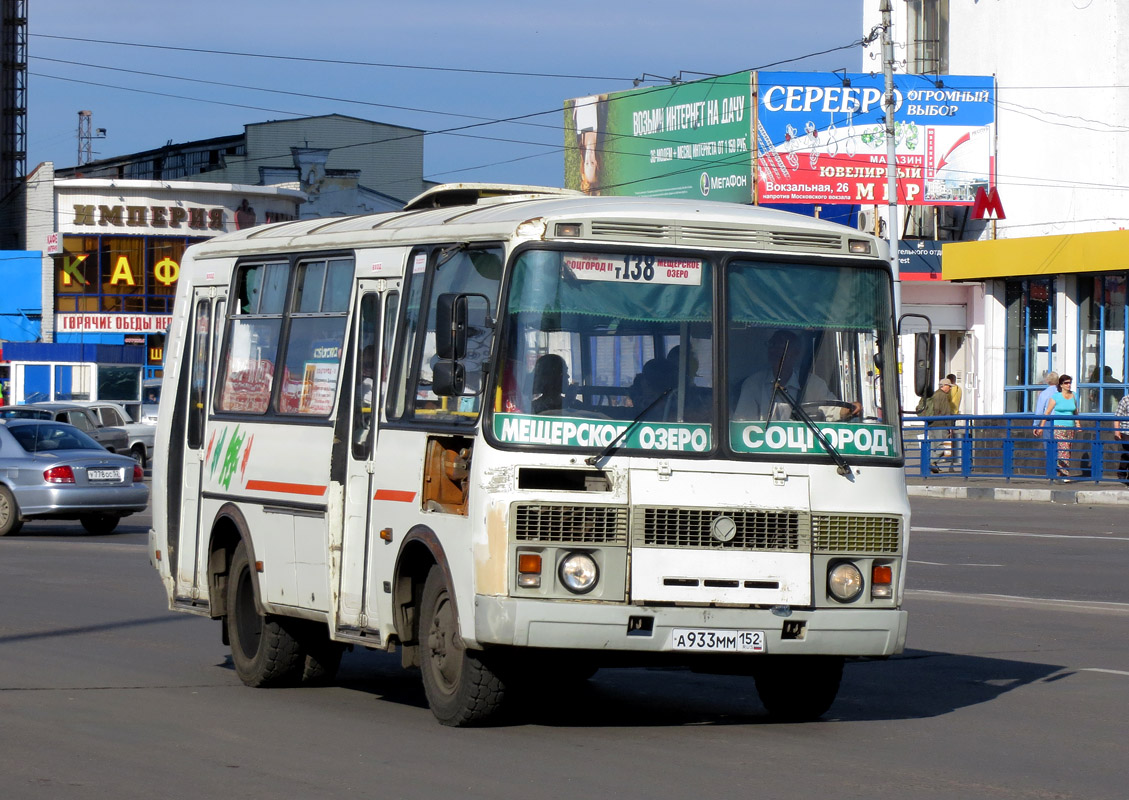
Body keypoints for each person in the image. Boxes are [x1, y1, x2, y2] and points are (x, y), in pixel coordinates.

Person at [733, 329, 834, 421]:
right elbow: (744, 424)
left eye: (782, 346)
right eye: (772, 345)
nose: (775, 351)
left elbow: (834, 410)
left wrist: (846, 412)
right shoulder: (753, 385)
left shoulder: (813, 384)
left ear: (796, 353)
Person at [1036, 374, 1077, 478]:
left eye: (1069, 383)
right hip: (1057, 424)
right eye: (1066, 383)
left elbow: (1040, 411)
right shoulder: (1056, 395)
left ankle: (1053, 472)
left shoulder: (1045, 393)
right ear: (1060, 383)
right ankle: (1063, 473)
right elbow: (1047, 411)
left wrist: (1037, 425)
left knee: (1051, 447)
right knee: (1063, 448)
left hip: (1053, 423)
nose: (1068, 385)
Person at [922, 378, 957, 473]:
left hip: (931, 423)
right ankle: (931, 461)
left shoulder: (933, 394)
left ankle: (933, 465)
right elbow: (946, 412)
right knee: (944, 445)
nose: (950, 389)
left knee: (934, 447)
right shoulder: (943, 396)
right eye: (949, 386)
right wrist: (950, 427)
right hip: (941, 424)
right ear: (944, 386)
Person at [1115, 391, 1129, 485]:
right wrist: (1117, 432)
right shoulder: (1125, 400)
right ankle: (1122, 473)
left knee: (1126, 454)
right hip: (1126, 431)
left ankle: (1121, 472)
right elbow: (1117, 417)